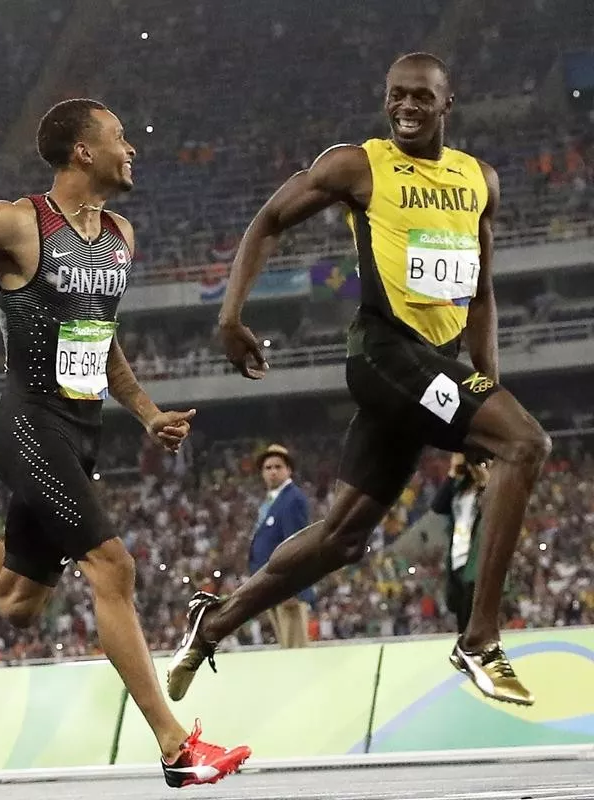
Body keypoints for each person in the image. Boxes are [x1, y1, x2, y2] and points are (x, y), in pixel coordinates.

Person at [0, 99, 250, 787]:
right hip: (28, 423)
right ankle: (177, 748)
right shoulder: (18, 222)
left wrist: (146, 413)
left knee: (16, 601)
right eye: (119, 137)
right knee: (113, 568)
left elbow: (100, 336)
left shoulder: (122, 234)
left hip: (80, 431)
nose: (132, 149)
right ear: (82, 152)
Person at [167, 53, 551, 707]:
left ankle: (215, 621)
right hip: (382, 354)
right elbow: (268, 220)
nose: (406, 106)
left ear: (446, 105)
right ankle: (479, 640)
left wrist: (487, 388)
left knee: (344, 537)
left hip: (432, 363)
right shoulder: (358, 165)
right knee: (529, 443)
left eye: (421, 97)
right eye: (395, 95)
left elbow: (480, 293)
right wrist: (230, 316)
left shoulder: (478, 180)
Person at [249, 445, 314, 648]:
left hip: (287, 588)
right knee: (286, 648)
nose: (272, 471)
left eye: (278, 466)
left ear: (289, 470)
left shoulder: (292, 499)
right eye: (267, 468)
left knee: (295, 649)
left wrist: (292, 588)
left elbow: (296, 543)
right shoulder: (272, 501)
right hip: (273, 587)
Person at [432, 453, 488, 633]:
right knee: (459, 608)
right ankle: (465, 649)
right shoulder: (460, 487)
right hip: (457, 554)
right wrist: (451, 473)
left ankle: (474, 650)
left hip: (476, 557)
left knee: (472, 611)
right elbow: (438, 506)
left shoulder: (486, 489)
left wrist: (484, 476)